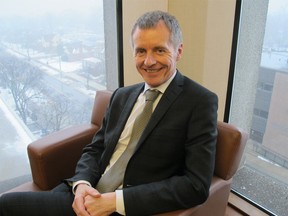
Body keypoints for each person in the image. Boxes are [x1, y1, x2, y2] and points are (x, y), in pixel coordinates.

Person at [0, 10, 218, 216]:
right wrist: (82, 184)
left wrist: (114, 201)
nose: (148, 61)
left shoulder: (200, 102)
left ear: (178, 51)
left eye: (159, 50)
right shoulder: (121, 96)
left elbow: (196, 185)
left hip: (125, 206)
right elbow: (96, 148)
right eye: (141, 51)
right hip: (84, 194)